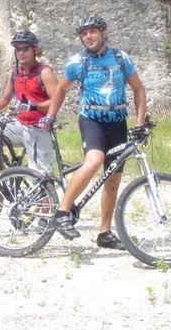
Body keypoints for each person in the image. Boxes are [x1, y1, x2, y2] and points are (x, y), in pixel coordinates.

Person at [40, 13, 147, 249]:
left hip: (118, 121)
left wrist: (139, 123)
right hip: (92, 120)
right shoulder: (77, 62)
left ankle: (104, 233)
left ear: (103, 33)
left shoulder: (120, 58)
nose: (88, 36)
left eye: (93, 31)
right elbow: (60, 90)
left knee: (112, 180)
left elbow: (139, 90)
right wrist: (50, 116)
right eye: (84, 33)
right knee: (94, 160)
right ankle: (62, 212)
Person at [0, 30, 58, 174]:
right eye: (18, 49)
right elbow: (5, 99)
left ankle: (43, 193)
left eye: (26, 48)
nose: (21, 52)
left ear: (34, 50)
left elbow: (56, 101)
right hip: (19, 126)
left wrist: (34, 106)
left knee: (39, 181)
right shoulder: (14, 73)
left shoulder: (44, 72)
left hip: (39, 128)